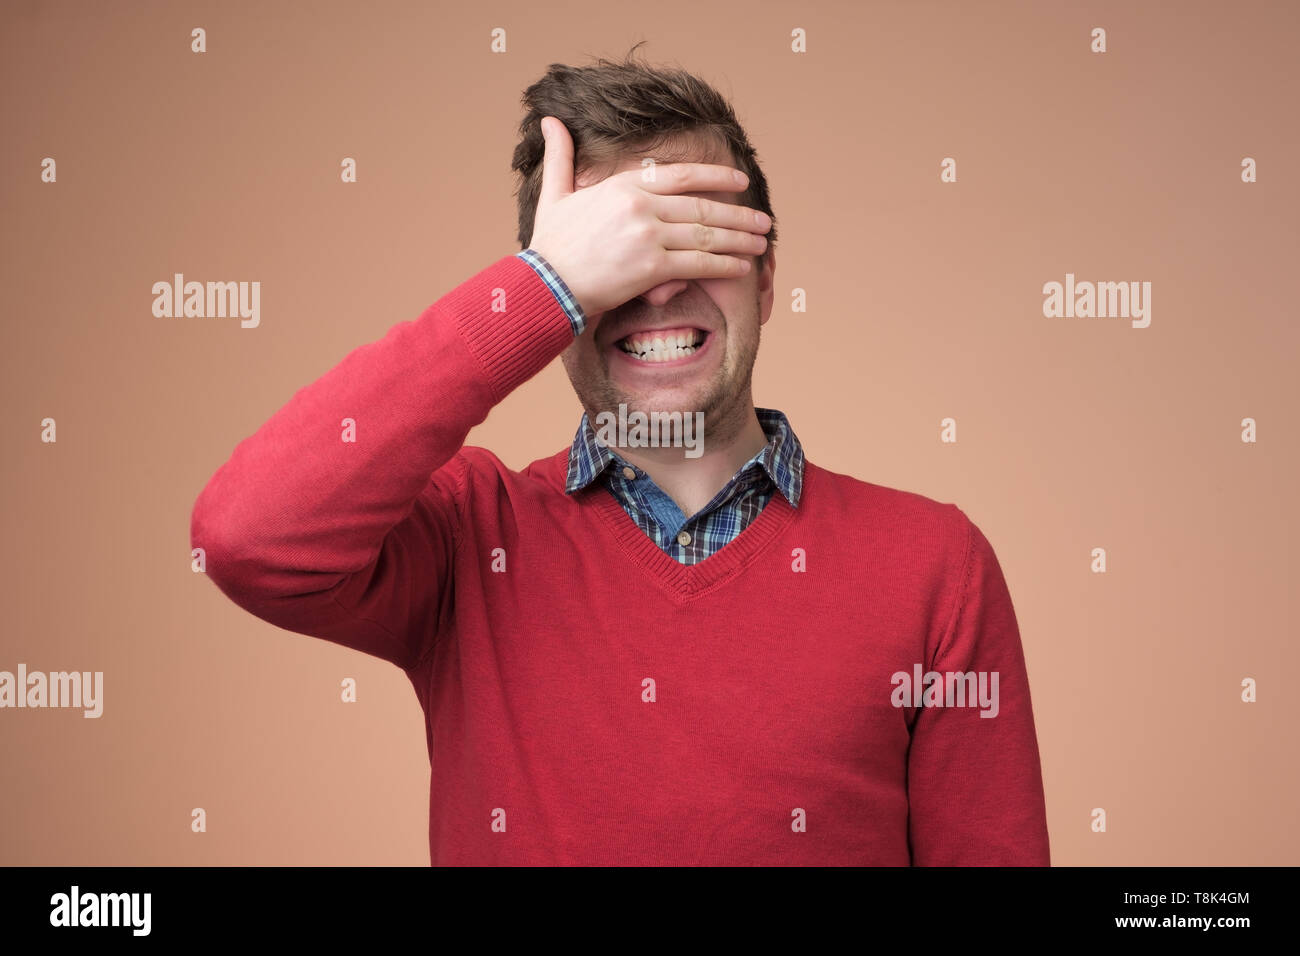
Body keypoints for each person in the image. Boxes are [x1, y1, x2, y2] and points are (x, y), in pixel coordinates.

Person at [191, 49, 1050, 865]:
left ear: (767, 276)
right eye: (617, 253)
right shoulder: (470, 537)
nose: (660, 287)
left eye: (697, 240)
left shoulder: (935, 564)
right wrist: (543, 287)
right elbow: (244, 536)